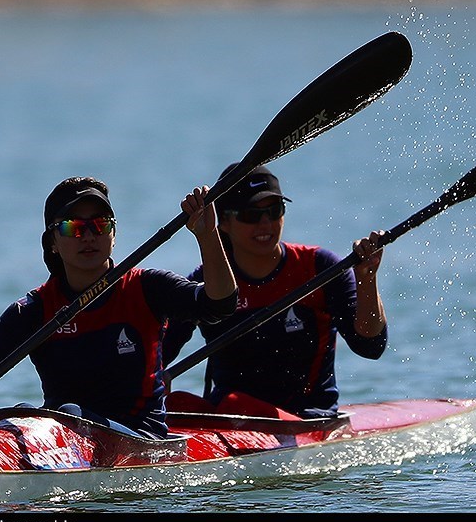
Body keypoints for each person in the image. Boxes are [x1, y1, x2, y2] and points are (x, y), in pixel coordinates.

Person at [0, 176, 237, 439]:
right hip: (64, 433)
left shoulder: (147, 288)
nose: (90, 236)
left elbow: (219, 305)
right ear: (52, 242)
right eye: (74, 228)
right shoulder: (36, 308)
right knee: (16, 415)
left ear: (113, 235)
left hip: (140, 438)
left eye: (100, 224)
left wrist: (208, 236)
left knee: (64, 412)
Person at [163, 164, 388, 420]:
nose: (265, 224)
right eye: (250, 215)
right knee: (173, 402)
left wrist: (367, 280)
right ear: (222, 222)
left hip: (306, 418)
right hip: (229, 419)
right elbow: (157, 356)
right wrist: (153, 380)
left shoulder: (319, 267)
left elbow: (371, 346)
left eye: (274, 211)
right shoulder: (208, 281)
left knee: (235, 403)